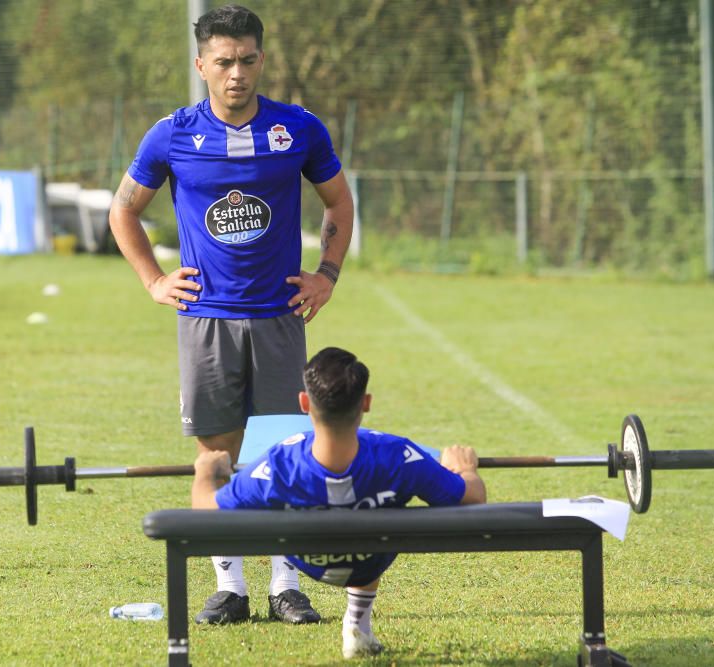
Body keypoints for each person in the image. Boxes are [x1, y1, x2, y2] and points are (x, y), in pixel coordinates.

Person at [108, 5, 354, 625]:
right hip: (207, 321)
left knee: (280, 455)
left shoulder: (297, 129)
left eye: (247, 60)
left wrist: (326, 276)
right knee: (215, 459)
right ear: (202, 66)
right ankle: (231, 587)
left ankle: (284, 586)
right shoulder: (171, 135)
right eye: (223, 62)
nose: (236, 73)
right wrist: (153, 280)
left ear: (261, 61)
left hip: (278, 318)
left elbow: (339, 202)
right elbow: (123, 212)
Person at [192, 347, 487, 659]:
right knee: (368, 511)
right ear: (366, 403)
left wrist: (206, 473)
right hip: (368, 559)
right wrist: (464, 469)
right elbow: (473, 496)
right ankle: (358, 622)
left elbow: (206, 514)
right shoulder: (398, 456)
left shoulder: (280, 463)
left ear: (304, 403)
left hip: (311, 559)